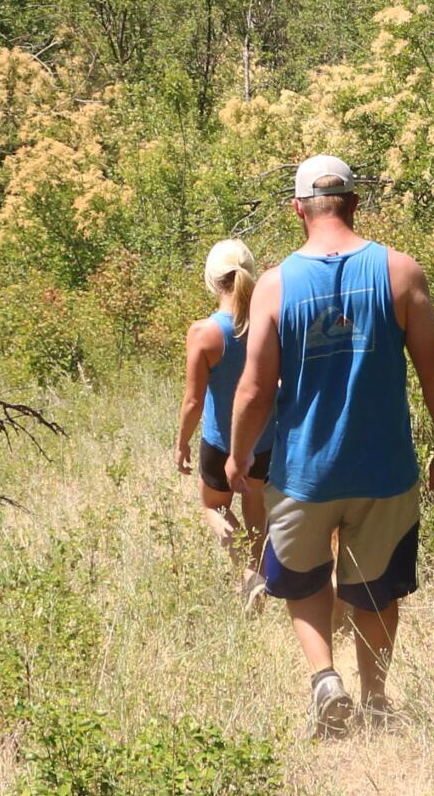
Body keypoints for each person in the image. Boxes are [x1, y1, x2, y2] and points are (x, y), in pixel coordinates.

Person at [230, 154, 434, 740]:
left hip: (304, 472)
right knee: (377, 584)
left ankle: (324, 682)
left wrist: (238, 458)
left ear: (298, 210)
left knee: (304, 577)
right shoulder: (400, 272)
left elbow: (255, 389)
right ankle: (377, 698)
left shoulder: (278, 285)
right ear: (355, 203)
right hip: (385, 469)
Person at [178, 238, 270, 602]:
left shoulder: (205, 333)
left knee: (213, 507)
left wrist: (182, 443)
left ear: (214, 281)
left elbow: (193, 401)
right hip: (264, 444)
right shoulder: (269, 324)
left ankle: (248, 576)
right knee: (257, 523)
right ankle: (256, 574)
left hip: (221, 444)